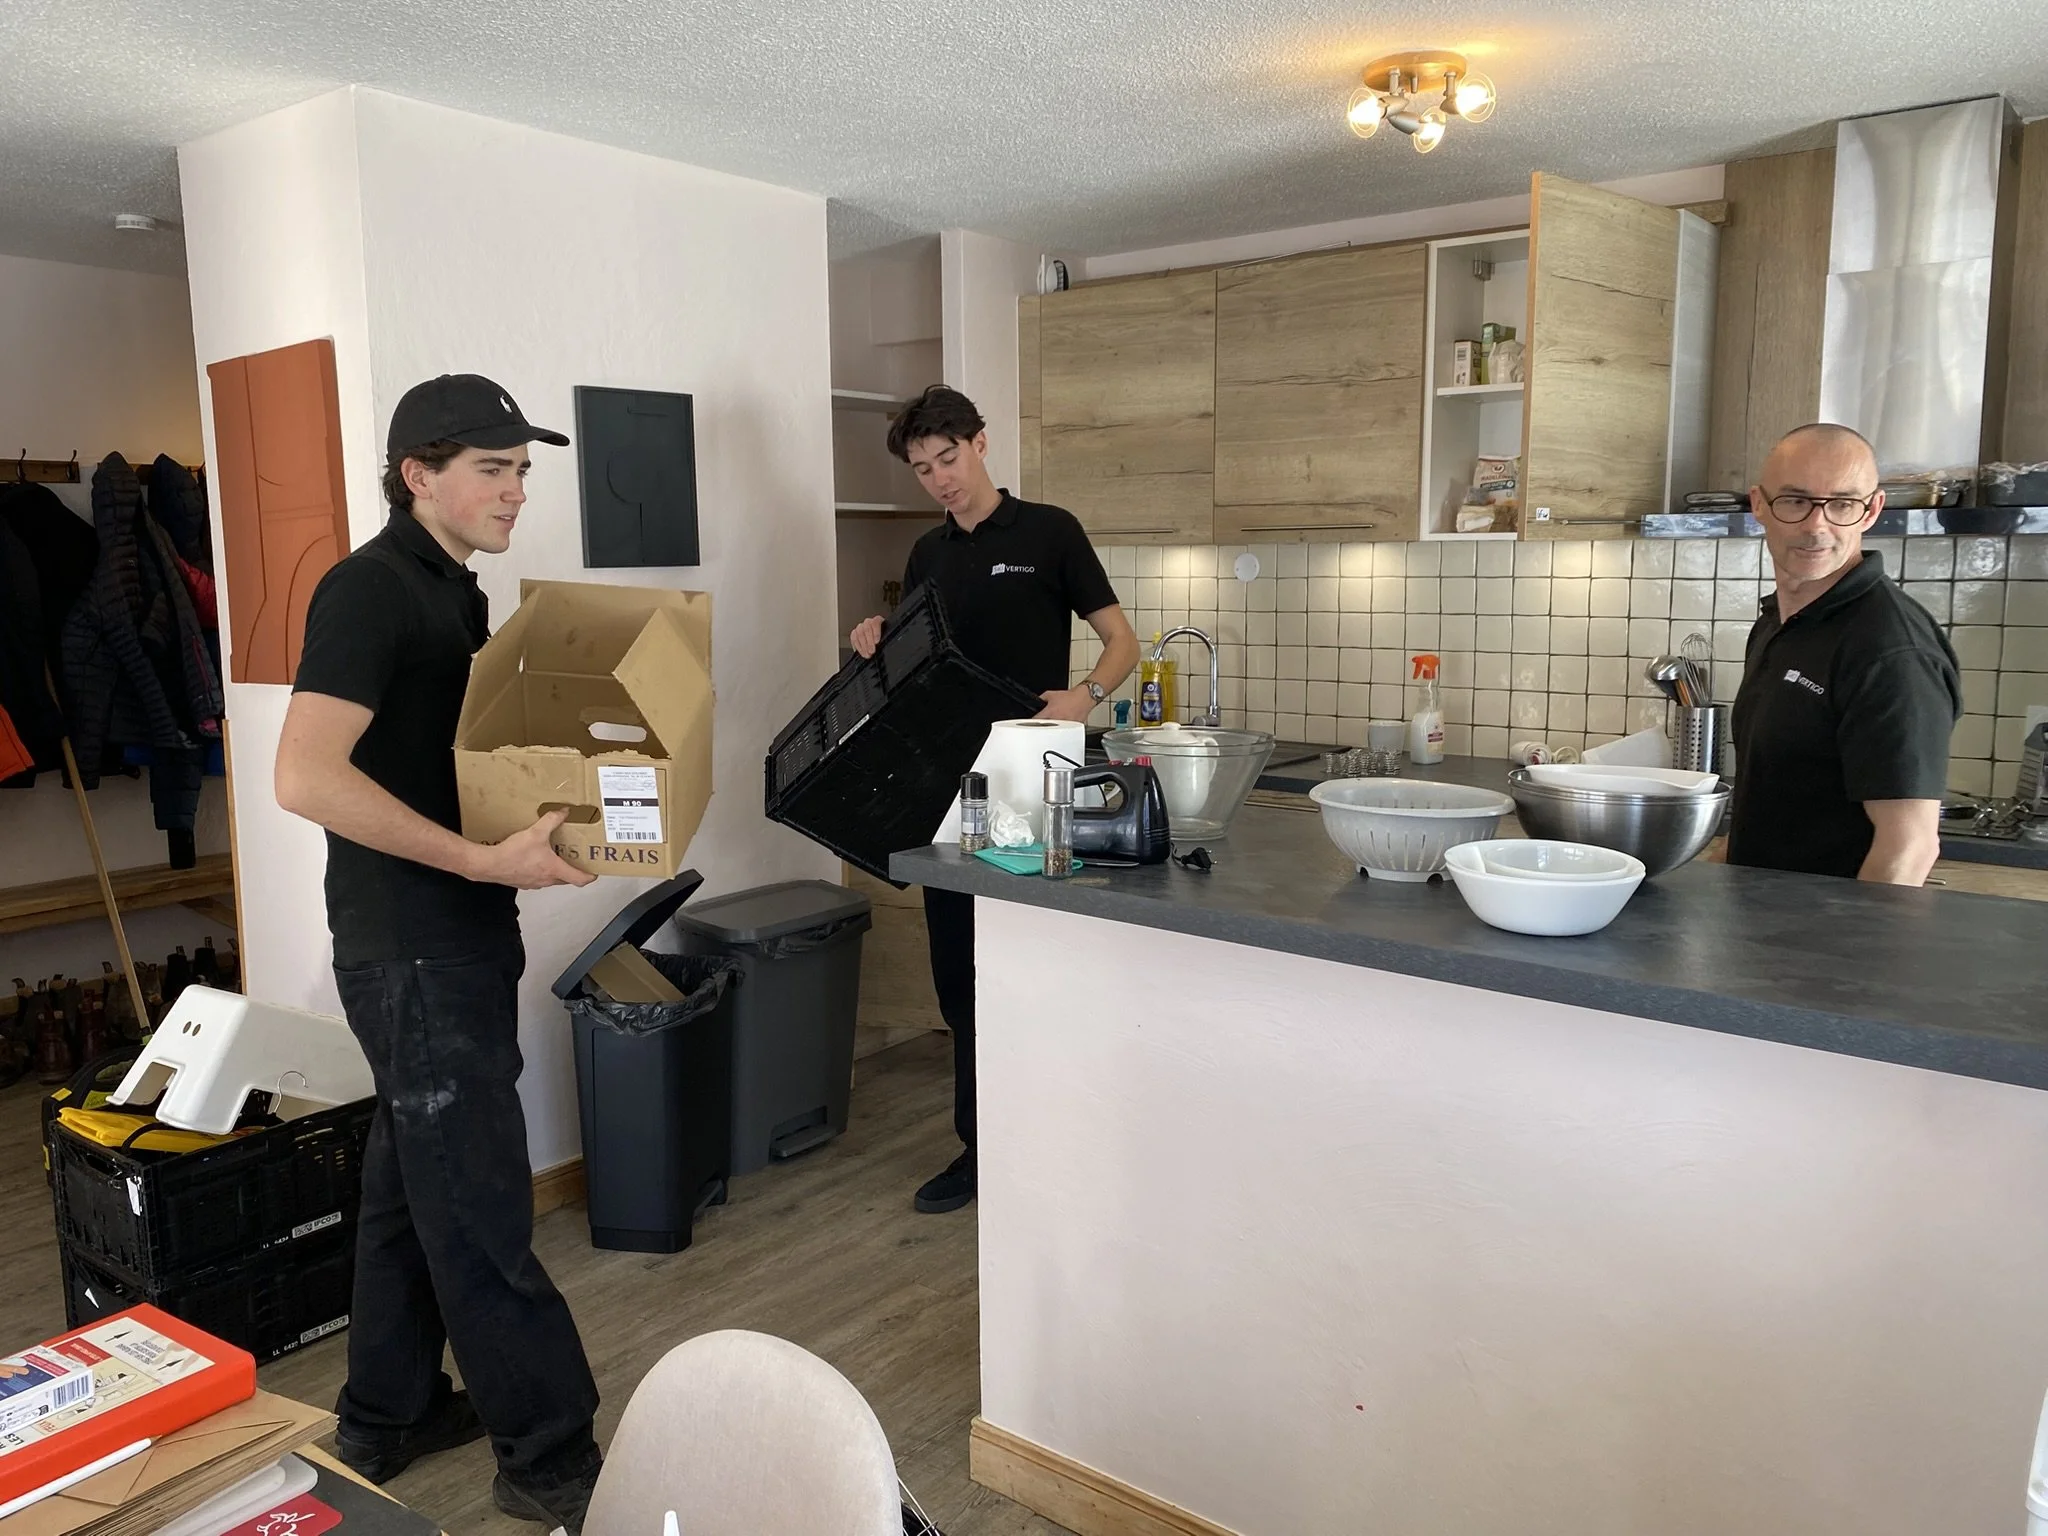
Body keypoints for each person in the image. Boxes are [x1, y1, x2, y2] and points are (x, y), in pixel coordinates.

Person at [274, 374, 606, 1533]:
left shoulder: (454, 594)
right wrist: (475, 867)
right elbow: (304, 775)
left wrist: (535, 830)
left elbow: (437, 768)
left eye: (524, 470)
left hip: (452, 939)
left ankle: (389, 1411)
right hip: (412, 947)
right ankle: (549, 1455)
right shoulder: (369, 589)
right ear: (418, 474)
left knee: (408, 1189)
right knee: (474, 1204)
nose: (518, 492)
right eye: (493, 470)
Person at [849, 386, 1138, 1213]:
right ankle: (982, 1152)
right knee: (961, 978)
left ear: (981, 443)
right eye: (921, 468)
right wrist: (875, 633)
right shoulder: (929, 554)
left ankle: (1064, 1140)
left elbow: (1122, 640)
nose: (939, 478)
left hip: (1034, 775)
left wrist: (1087, 694)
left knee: (1038, 970)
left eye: (948, 457)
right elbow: (912, 661)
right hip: (953, 781)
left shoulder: (1051, 532)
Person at [1728, 423, 1961, 885]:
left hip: (1829, 946)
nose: (1817, 526)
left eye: (1842, 504)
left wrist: (1846, 957)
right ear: (1759, 505)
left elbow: (1909, 846)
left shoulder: (1889, 648)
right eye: (1794, 501)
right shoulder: (1781, 623)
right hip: (1760, 937)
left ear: (1872, 510)